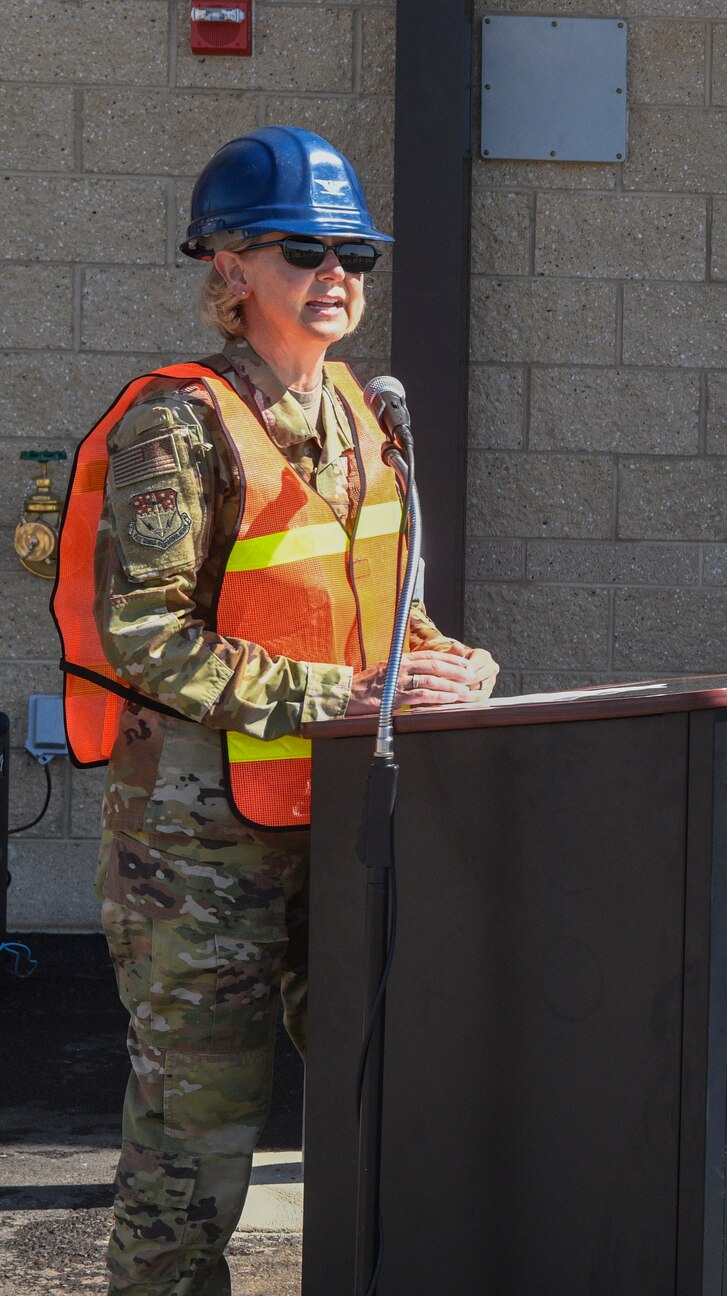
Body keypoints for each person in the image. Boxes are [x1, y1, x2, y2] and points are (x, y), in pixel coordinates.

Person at [51, 126, 498, 1294]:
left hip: (343, 825)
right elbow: (142, 631)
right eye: (304, 249)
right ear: (230, 266)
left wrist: (452, 665)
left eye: (356, 252)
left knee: (389, 1091)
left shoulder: (366, 413)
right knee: (199, 1143)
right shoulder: (179, 421)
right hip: (196, 850)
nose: (336, 274)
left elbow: (377, 614)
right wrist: (329, 697)